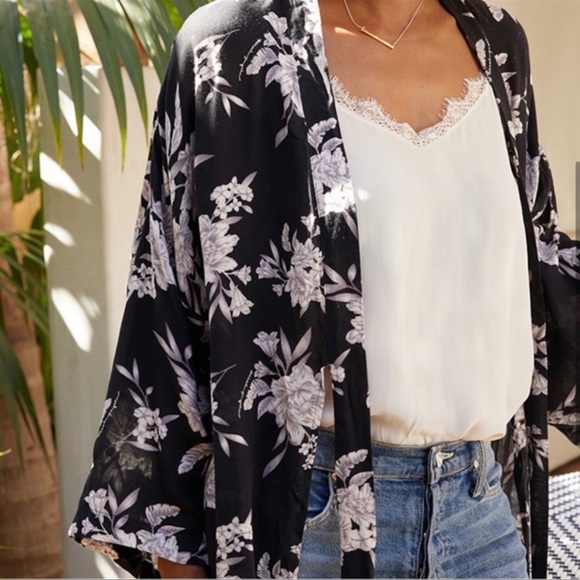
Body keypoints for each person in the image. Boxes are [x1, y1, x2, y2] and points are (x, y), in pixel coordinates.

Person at [69, 0, 579, 577]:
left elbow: (539, 270)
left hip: (478, 519)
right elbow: (167, 316)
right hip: (307, 532)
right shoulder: (232, 49)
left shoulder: (497, 40)